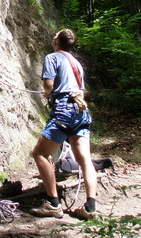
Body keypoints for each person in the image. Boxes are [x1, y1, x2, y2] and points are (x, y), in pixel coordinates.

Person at [31, 29, 98, 220]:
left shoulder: (52, 57)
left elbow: (48, 86)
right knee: (85, 158)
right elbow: (80, 90)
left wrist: (47, 93)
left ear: (57, 40)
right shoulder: (77, 64)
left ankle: (53, 204)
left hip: (63, 110)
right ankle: (90, 207)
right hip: (81, 110)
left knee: (39, 154)